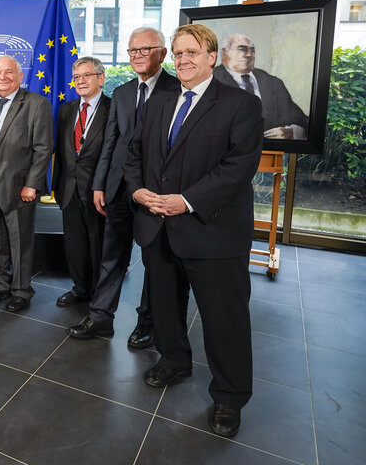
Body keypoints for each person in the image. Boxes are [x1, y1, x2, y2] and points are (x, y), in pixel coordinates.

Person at [124, 23, 263, 438]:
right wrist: (138, 192)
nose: (184, 60)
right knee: (165, 305)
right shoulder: (159, 100)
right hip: (157, 224)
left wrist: (185, 201)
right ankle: (173, 360)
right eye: (179, 53)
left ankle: (229, 396)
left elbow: (237, 168)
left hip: (212, 230)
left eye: (192, 53)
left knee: (224, 319)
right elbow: (135, 154)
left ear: (212, 58)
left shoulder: (241, 105)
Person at [68, 27, 179, 348]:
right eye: (133, 51)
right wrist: (100, 183)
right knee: (111, 256)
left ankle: (148, 322)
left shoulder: (177, 89)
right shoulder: (123, 93)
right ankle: (101, 316)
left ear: (162, 52)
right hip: (117, 188)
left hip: (156, 192)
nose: (138, 56)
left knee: (154, 262)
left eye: (145, 50)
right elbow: (110, 142)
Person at [0, 55, 53, 313]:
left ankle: (21, 290)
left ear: (20, 76)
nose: (2, 77)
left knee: (20, 242)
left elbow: (43, 149)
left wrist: (32, 184)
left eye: (8, 72)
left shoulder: (35, 104)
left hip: (19, 188)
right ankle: (1, 284)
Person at [52, 57, 109, 309]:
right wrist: (56, 186)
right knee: (74, 243)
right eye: (76, 77)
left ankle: (99, 293)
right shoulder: (66, 109)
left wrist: (105, 186)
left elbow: (116, 153)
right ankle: (80, 288)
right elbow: (61, 152)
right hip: (69, 187)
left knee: (98, 244)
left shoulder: (114, 108)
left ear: (101, 78)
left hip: (99, 190)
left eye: (87, 76)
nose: (81, 81)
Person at [213, 33, 308, 140]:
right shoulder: (210, 80)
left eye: (252, 50)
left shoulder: (273, 83)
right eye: (242, 49)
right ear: (224, 53)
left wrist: (292, 132)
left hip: (270, 153)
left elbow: (302, 121)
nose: (249, 54)